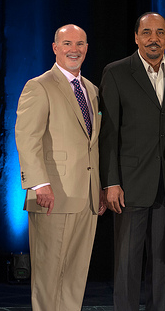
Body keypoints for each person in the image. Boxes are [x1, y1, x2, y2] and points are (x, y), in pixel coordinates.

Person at [99, 12, 165, 310]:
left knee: (164, 263)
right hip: (129, 184)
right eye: (147, 32)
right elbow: (108, 134)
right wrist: (111, 181)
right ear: (136, 37)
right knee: (127, 262)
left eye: (160, 32)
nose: (154, 38)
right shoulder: (116, 72)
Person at [15, 24, 105, 311]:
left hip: (86, 198)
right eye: (67, 44)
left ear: (87, 49)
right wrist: (39, 183)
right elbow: (27, 138)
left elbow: (92, 145)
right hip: (53, 195)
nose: (74, 50)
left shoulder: (91, 89)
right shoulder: (38, 86)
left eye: (80, 44)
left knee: (75, 277)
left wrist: (100, 188)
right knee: (49, 276)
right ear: (55, 48)